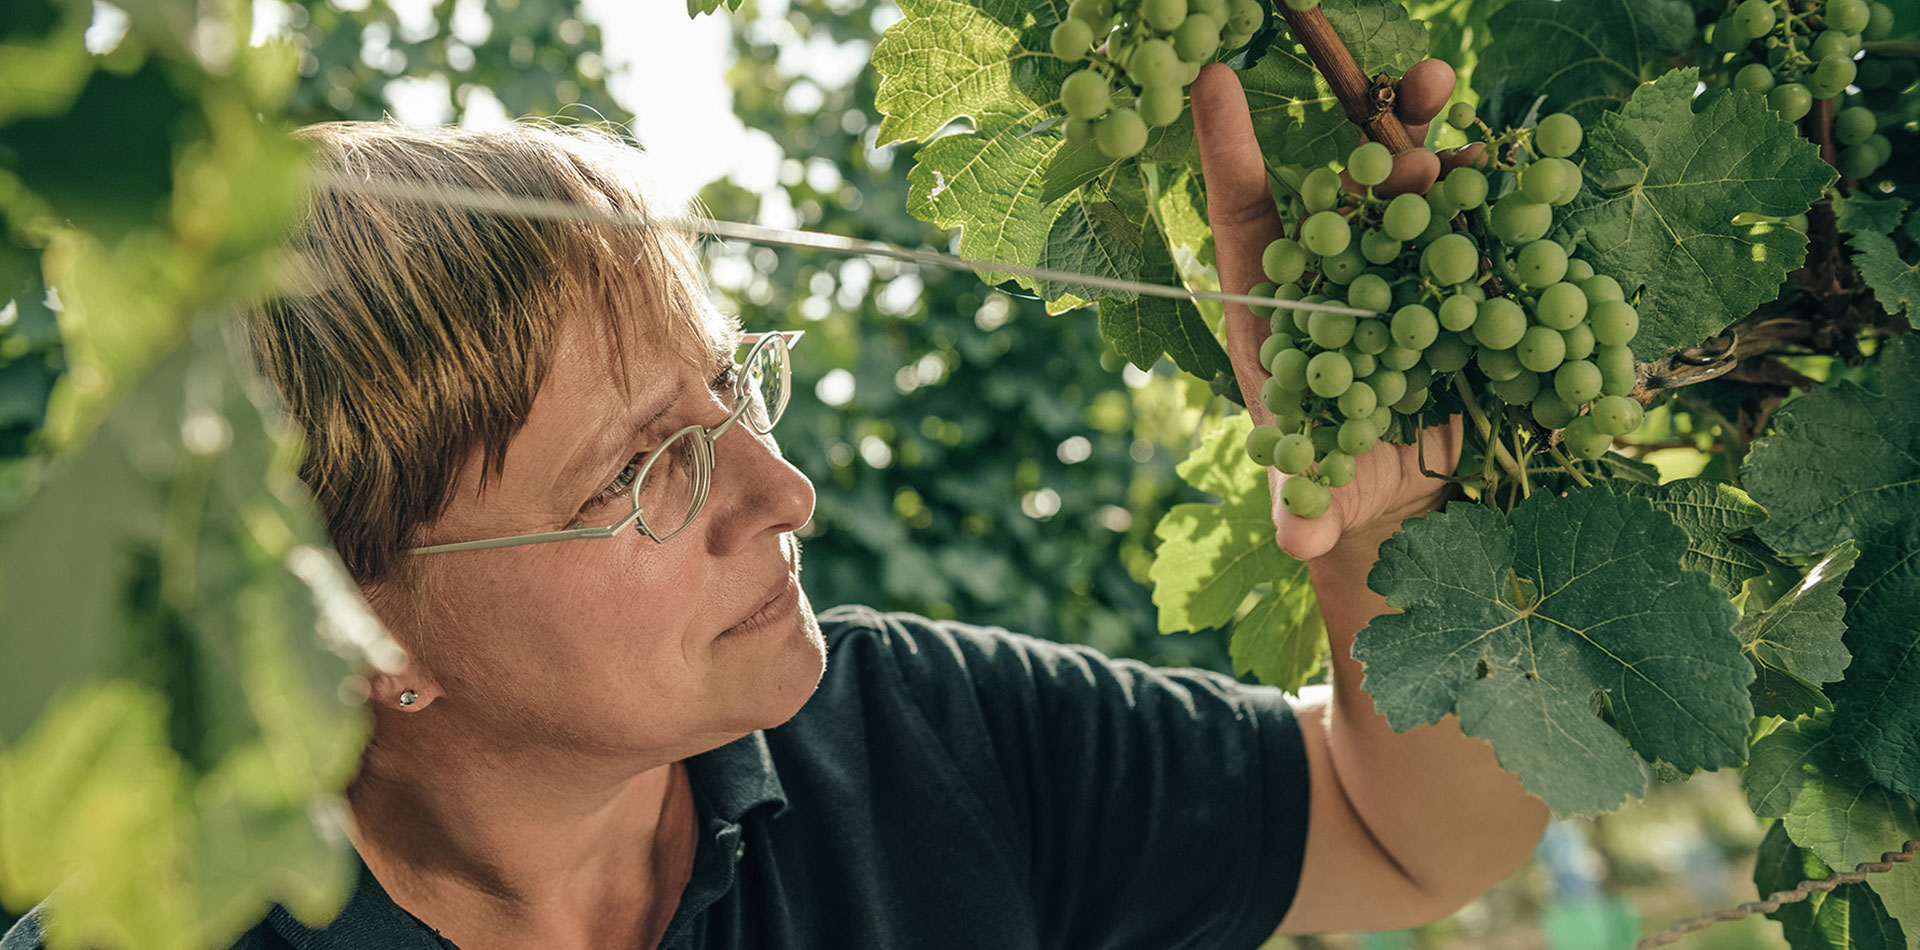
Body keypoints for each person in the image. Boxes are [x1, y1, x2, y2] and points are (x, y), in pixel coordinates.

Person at [3, 60, 1544, 950]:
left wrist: (1369, 533)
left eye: (729, 390)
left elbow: (1405, 838)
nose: (783, 491)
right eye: (641, 471)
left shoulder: (921, 737)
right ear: (351, 633)